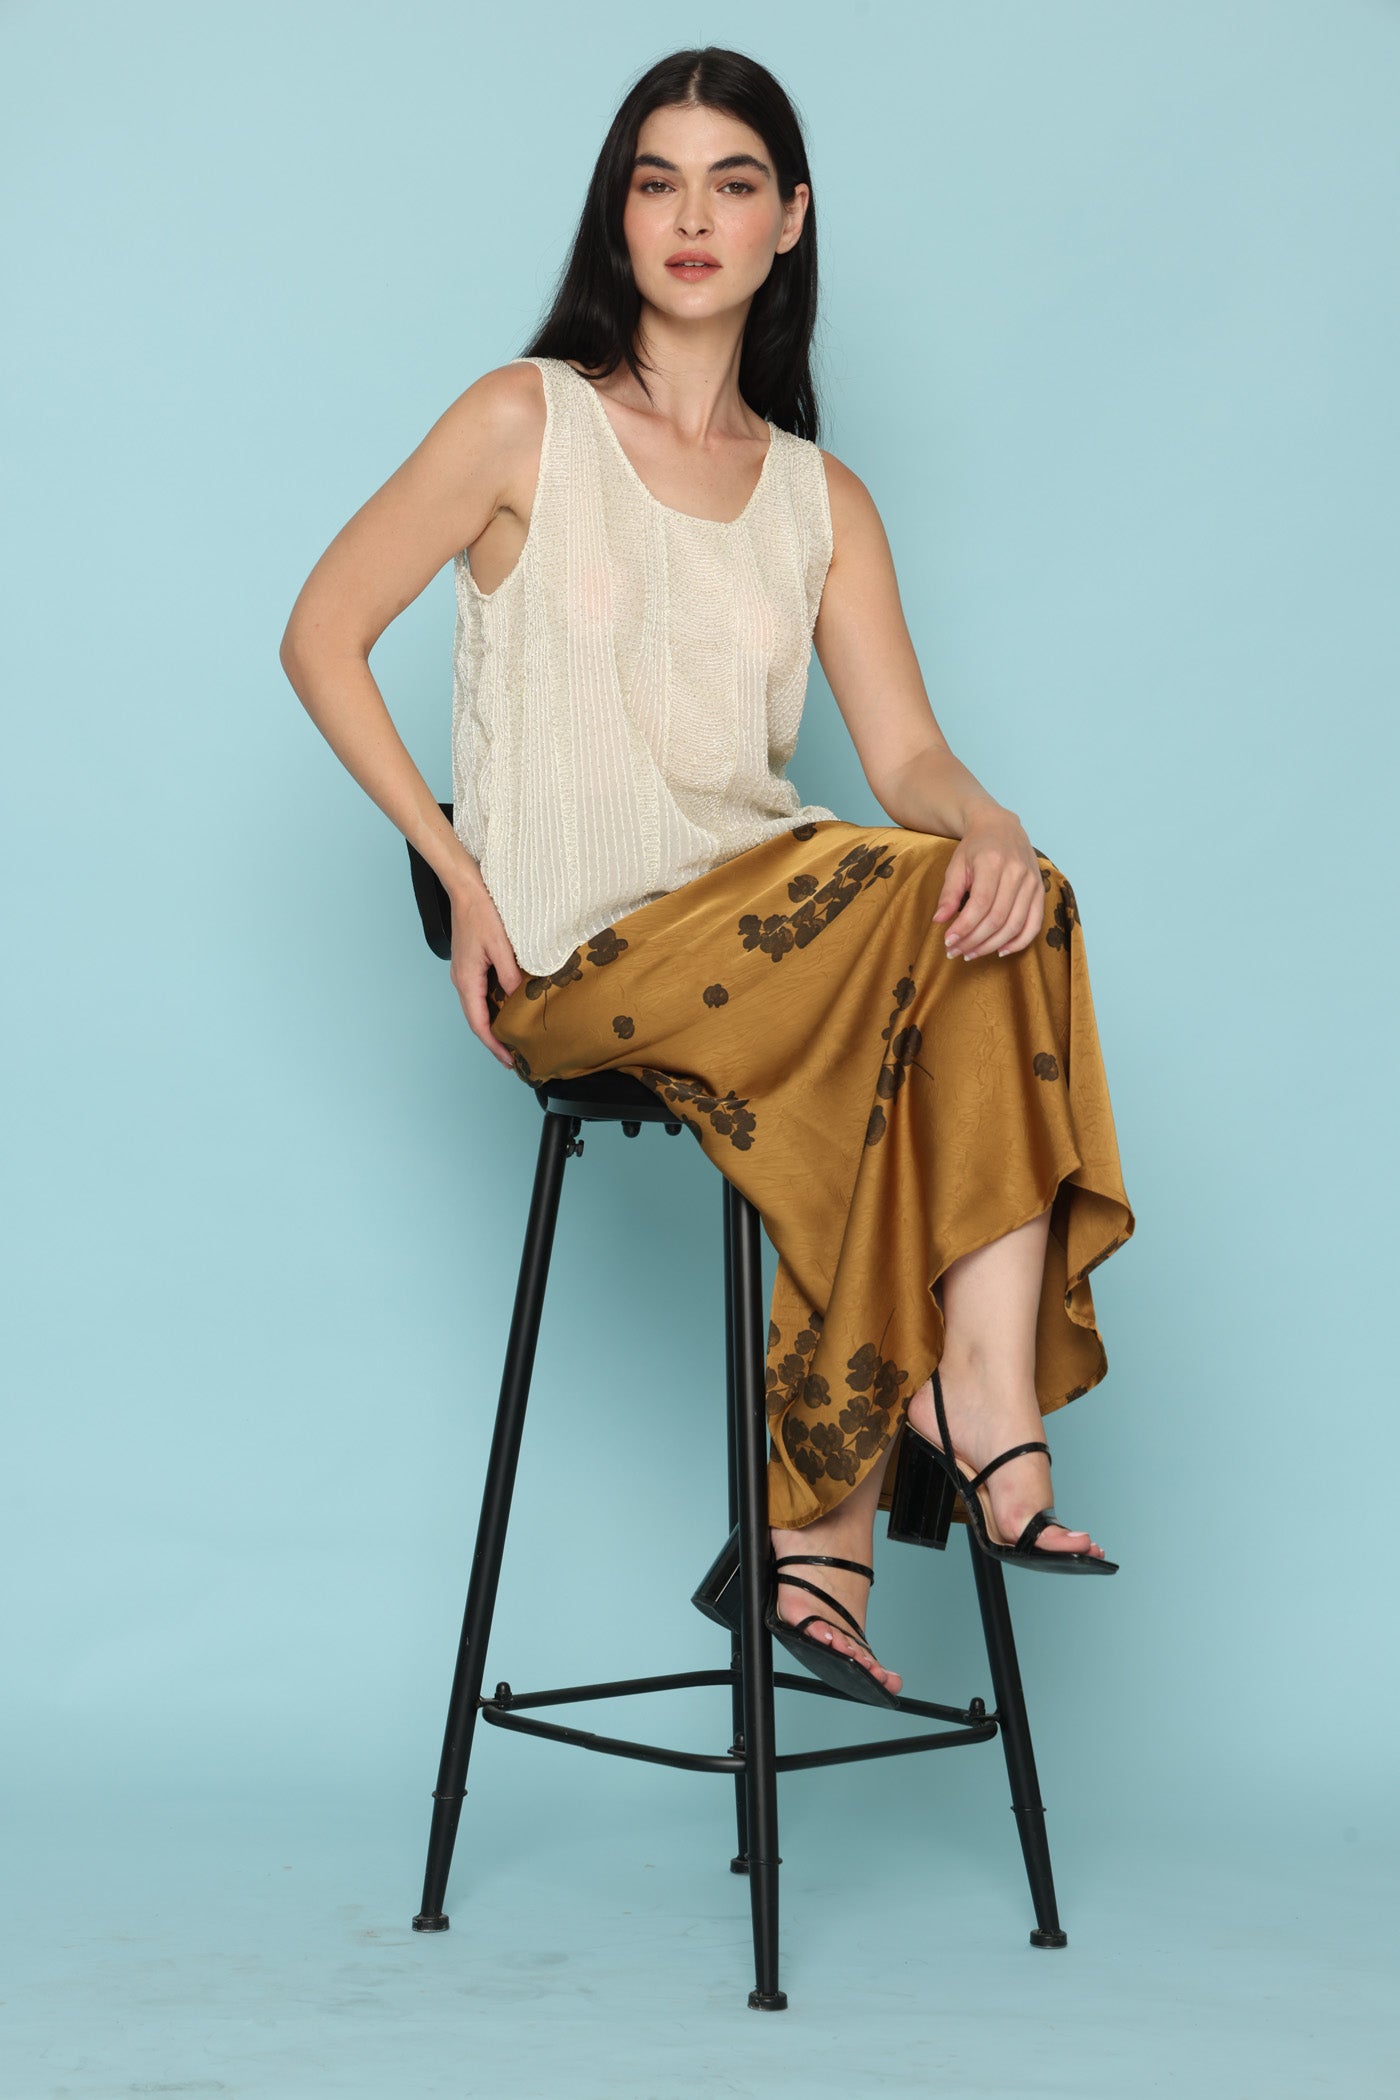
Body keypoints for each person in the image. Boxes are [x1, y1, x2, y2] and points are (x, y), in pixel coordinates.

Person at [279, 46, 1135, 1709]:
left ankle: (856, 1516)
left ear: (787, 221)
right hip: (582, 958)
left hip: (788, 949)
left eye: (732, 184)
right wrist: (455, 871)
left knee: (1010, 900)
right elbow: (320, 633)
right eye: (657, 183)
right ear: (620, 215)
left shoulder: (821, 498)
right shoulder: (525, 419)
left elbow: (909, 757)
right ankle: (944, 1424)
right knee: (916, 914)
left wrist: (993, 824)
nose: (692, 217)